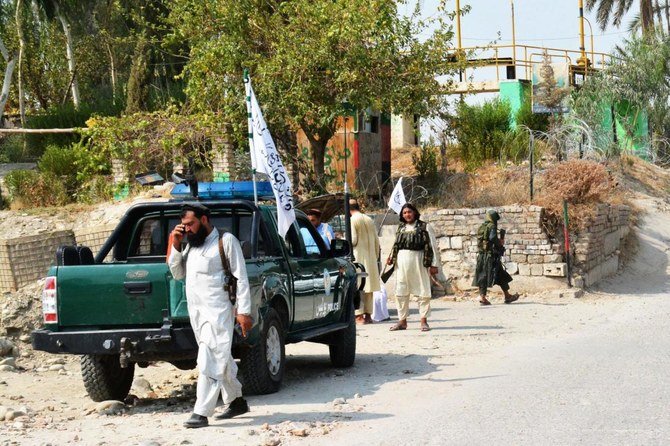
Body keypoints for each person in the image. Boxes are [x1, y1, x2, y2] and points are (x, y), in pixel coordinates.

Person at [168, 203, 253, 429]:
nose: (187, 229)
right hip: (197, 313)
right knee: (219, 356)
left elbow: (241, 278)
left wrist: (244, 312)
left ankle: (201, 412)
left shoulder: (225, 242)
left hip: (219, 312)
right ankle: (236, 401)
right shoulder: (191, 246)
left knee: (209, 357)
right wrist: (175, 245)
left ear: (204, 219)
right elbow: (177, 274)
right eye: (184, 225)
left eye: (190, 224)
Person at [387, 203, 438, 332]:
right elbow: (395, 245)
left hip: (419, 261)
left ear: (414, 212)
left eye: (409, 212)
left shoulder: (425, 227)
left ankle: (423, 321)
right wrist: (391, 257)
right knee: (401, 292)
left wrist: (434, 265)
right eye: (404, 213)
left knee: (423, 291)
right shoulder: (401, 228)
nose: (407, 215)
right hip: (401, 262)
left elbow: (433, 247)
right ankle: (402, 322)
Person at [472, 209, 520, 306]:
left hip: (481, 256)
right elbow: (492, 238)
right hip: (491, 257)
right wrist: (500, 243)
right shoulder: (492, 226)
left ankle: (483, 297)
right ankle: (507, 296)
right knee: (500, 274)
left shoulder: (482, 226)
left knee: (483, 276)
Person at [349, 199, 381, 324]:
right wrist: (376, 257)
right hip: (371, 257)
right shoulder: (369, 219)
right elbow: (376, 241)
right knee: (369, 287)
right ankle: (368, 315)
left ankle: (359, 316)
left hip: (358, 257)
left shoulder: (352, 220)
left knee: (359, 286)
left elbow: (353, 240)